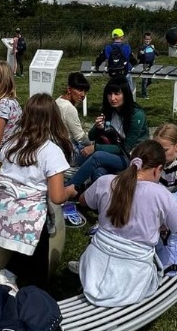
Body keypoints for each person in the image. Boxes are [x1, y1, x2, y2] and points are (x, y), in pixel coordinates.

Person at [71, 140, 177, 310]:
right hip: (132, 280)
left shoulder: (106, 181)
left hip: (92, 270)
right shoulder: (162, 195)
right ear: (158, 169)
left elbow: (83, 200)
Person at [0, 94, 74, 291]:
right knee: (38, 263)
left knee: (26, 250)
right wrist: (70, 191)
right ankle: (33, 295)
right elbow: (57, 197)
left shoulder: (11, 143)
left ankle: (9, 273)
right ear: (54, 119)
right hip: (30, 220)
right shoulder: (51, 151)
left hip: (4, 214)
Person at [60, 76, 148, 223]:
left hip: (133, 158)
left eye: (117, 94)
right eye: (109, 94)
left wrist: (95, 147)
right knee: (98, 171)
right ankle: (103, 208)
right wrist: (98, 127)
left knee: (97, 155)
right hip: (115, 154)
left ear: (126, 94)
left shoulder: (136, 115)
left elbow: (126, 147)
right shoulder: (110, 111)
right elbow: (92, 135)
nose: (112, 98)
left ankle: (69, 189)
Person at [55, 71, 91, 152]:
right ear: (69, 89)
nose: (83, 95)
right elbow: (80, 137)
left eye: (85, 91)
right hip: (69, 148)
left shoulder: (58, 100)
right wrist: (93, 146)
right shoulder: (69, 108)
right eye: (80, 90)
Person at [95, 27, 136, 94]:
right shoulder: (126, 47)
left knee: (115, 91)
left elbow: (100, 58)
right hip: (125, 72)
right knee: (128, 92)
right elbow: (132, 59)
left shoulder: (108, 47)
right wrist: (134, 64)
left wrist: (97, 65)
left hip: (113, 72)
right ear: (122, 37)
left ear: (112, 37)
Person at [138, 31, 157, 98]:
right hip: (144, 64)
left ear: (151, 39)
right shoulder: (141, 47)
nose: (147, 41)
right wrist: (141, 54)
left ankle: (143, 89)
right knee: (145, 79)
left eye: (149, 39)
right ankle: (144, 94)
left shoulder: (151, 47)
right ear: (144, 39)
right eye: (146, 39)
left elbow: (157, 54)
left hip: (151, 64)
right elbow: (138, 57)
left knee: (150, 80)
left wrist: (153, 49)